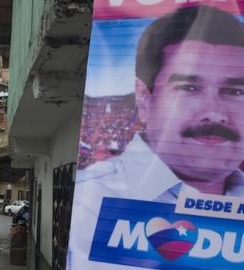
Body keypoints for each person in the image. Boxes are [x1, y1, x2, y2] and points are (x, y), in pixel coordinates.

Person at [68, 5, 244, 268]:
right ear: (144, 98)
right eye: (190, 88)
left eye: (234, 92)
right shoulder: (94, 198)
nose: (215, 113)